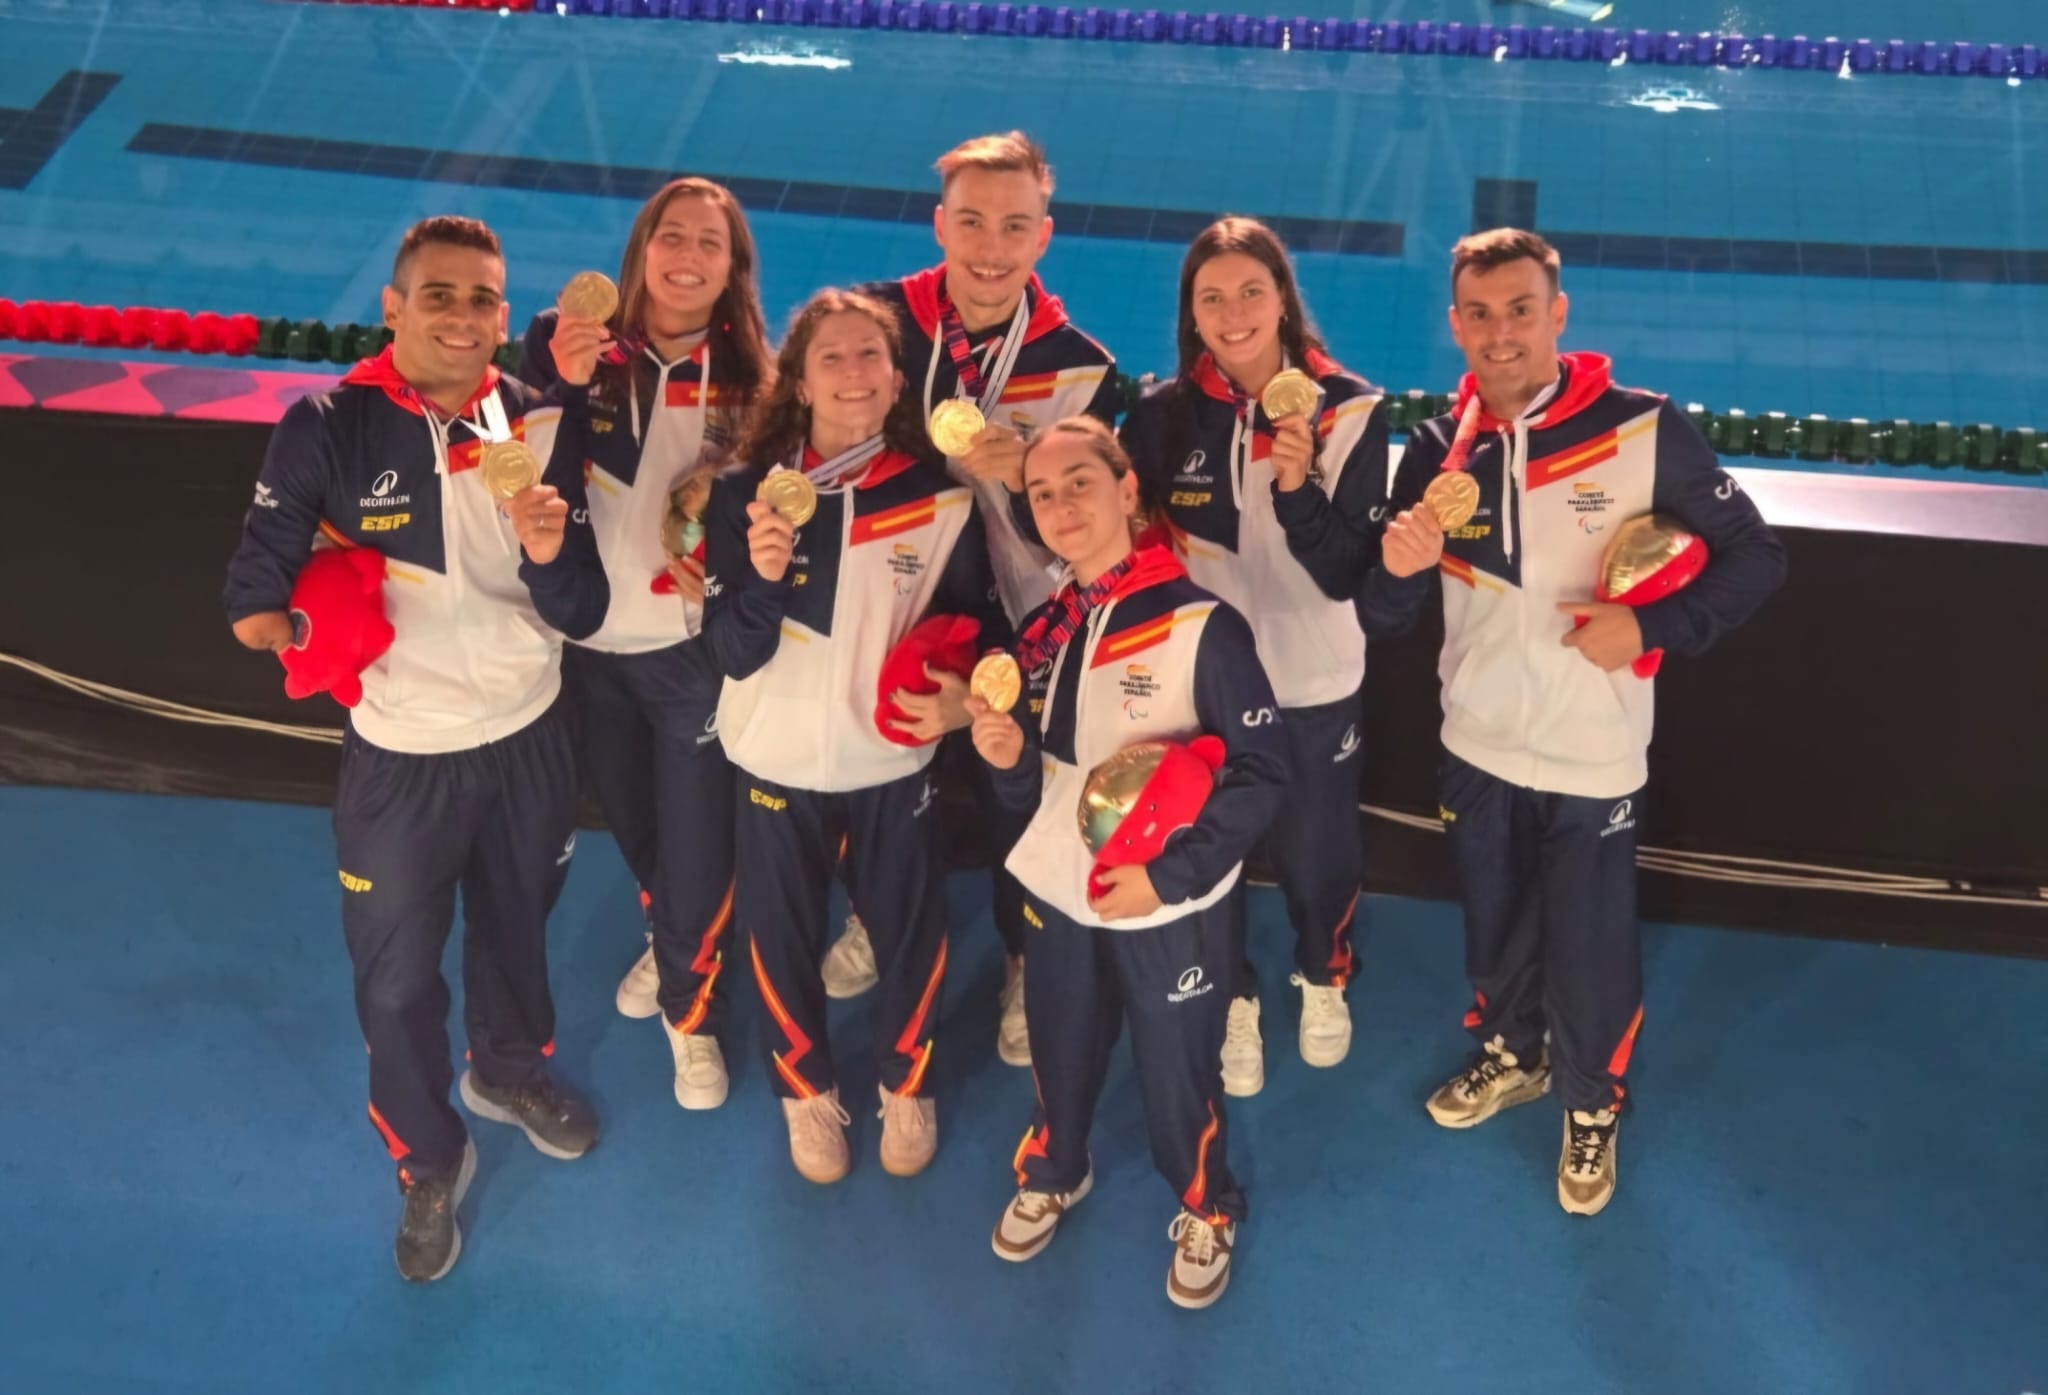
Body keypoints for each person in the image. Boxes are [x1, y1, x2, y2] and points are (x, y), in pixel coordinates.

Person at [1356, 228, 1787, 1215]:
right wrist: (1394, 567)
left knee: (1591, 941)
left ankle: (1590, 1102)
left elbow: (1755, 558)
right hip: (1474, 741)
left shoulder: (1641, 430)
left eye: (1518, 309)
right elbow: (1381, 618)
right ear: (1453, 323)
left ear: (1557, 314)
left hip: (1593, 751)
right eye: (1477, 313)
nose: (1498, 333)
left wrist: (1648, 623)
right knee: (1495, 925)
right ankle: (1511, 1054)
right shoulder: (1431, 453)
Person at [222, 216, 610, 1281]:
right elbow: (252, 596)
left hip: (530, 736)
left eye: (482, 298)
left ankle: (508, 1070)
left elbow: (575, 601)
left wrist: (547, 551)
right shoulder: (326, 428)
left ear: (502, 314)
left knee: (516, 929)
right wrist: (318, 623)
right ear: (393, 307)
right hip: (401, 759)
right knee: (394, 980)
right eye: (437, 295)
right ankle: (425, 1156)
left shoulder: (532, 416)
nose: (462, 316)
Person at [970, 415, 1287, 1309]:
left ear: (1127, 491)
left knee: (1179, 1065)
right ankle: (1057, 1165)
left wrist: (1168, 878)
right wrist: (1004, 765)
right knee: (1061, 1047)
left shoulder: (1201, 625)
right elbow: (1032, 790)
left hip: (1167, 900)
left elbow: (1264, 775)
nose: (1062, 504)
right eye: (1041, 492)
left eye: (1080, 482)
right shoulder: (1042, 632)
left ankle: (1205, 1201)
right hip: (1055, 886)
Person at [824, 131, 1120, 1071]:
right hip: (891, 592)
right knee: (880, 772)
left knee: (1015, 796)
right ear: (939, 222)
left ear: (1045, 235)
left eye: (1015, 226)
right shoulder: (877, 326)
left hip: (1019, 608)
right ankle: (877, 915)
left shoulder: (1079, 364)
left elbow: (1094, 534)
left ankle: (1026, 959)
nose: (991, 248)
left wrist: (1030, 475)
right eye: (973, 221)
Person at [699, 288, 1008, 1184]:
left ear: (898, 377)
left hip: (889, 759)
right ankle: (806, 1093)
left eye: (870, 355)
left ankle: (906, 1084)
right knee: (780, 934)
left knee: (909, 931)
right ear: (796, 381)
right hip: (773, 758)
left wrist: (959, 706)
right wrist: (758, 576)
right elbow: (729, 648)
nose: (852, 372)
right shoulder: (743, 495)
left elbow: (981, 631)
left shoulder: (942, 498)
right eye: (829, 357)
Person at [1119, 216, 1391, 1097]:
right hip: (1203, 686)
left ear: (1282, 299)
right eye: (1211, 298)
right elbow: (1120, 534)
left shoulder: (1350, 410)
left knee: (1317, 850)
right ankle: (1234, 994)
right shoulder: (1161, 418)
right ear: (1190, 314)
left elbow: (1349, 569)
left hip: (1313, 675)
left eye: (1250, 292)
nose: (1233, 313)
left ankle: (1322, 971)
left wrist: (1296, 484)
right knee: (1213, 848)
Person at [518, 178, 773, 1111]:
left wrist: (736, 574)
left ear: (731, 269)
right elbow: (521, 461)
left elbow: (775, 516)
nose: (688, 255)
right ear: (641, 247)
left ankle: (689, 1012)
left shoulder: (754, 384)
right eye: (673, 235)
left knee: (699, 842)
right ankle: (675, 933)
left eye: (711, 243)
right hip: (585, 645)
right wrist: (565, 384)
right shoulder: (566, 342)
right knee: (636, 828)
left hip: (688, 652)